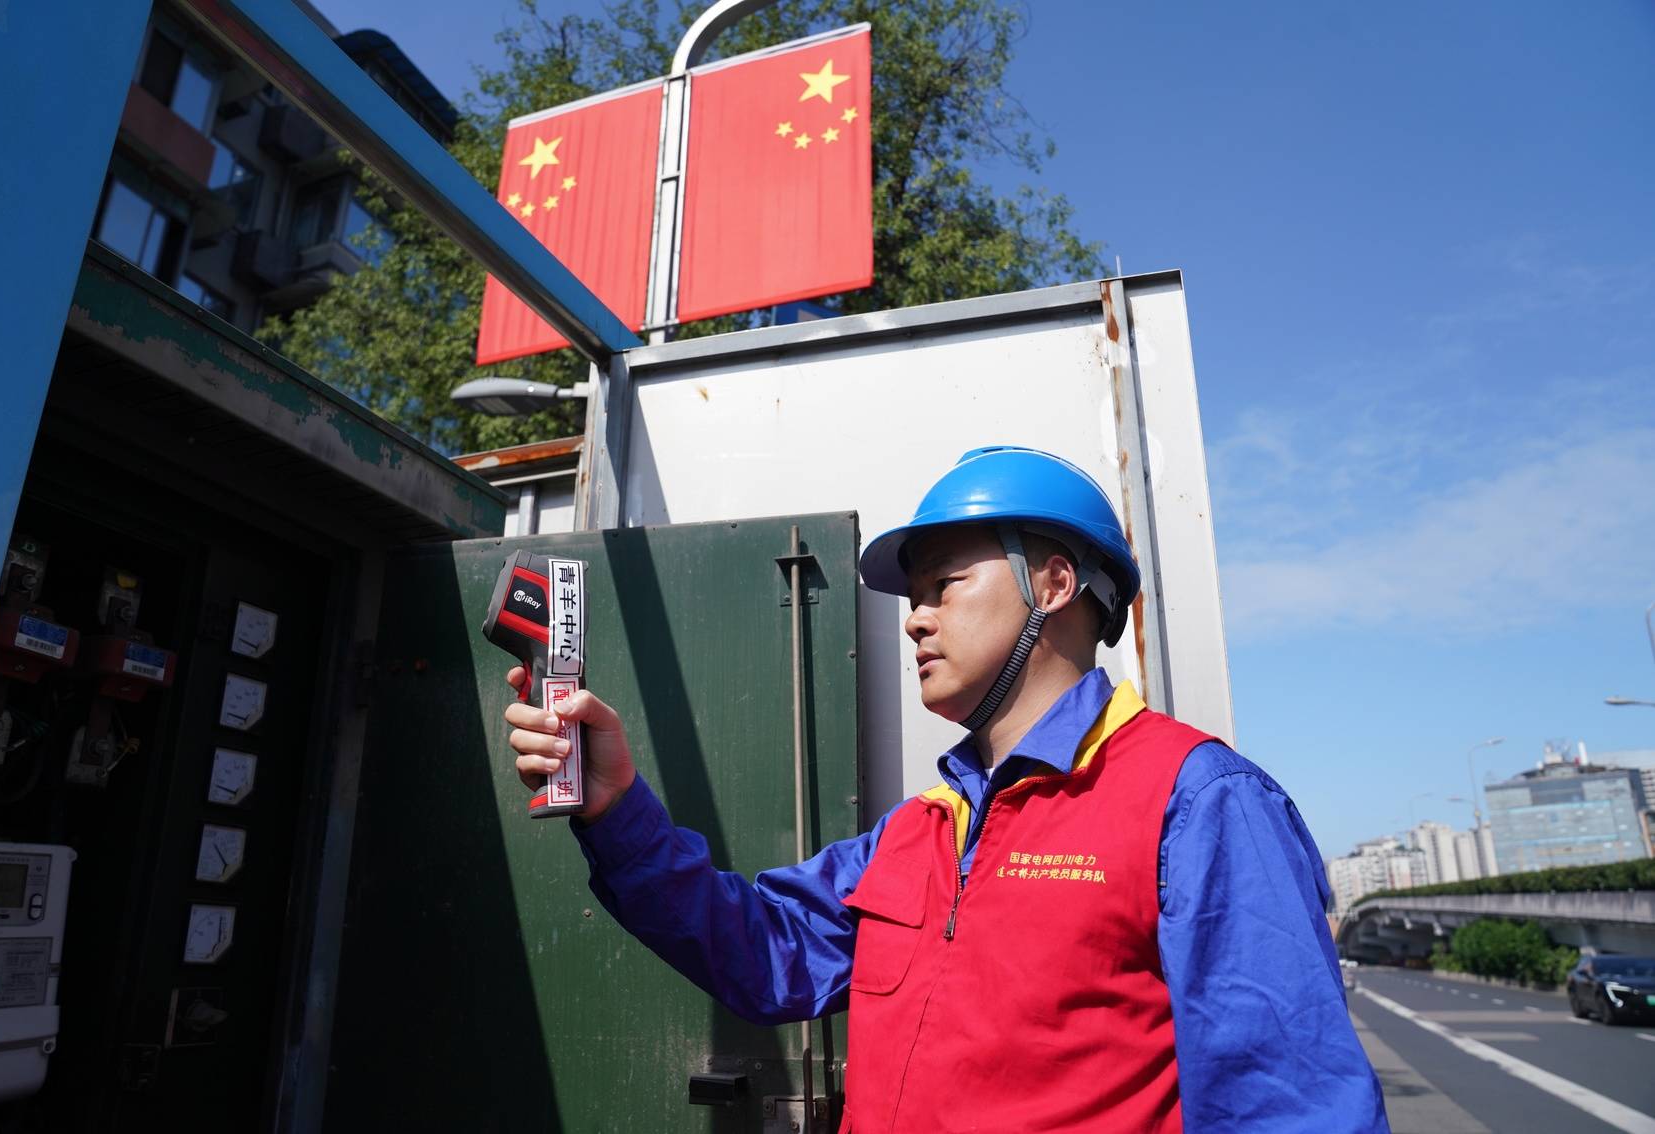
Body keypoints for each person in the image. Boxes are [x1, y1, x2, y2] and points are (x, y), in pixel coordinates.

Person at [506, 445, 1388, 1133]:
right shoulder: (921, 830)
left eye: (944, 585)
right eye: (913, 596)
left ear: (1053, 584)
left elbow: (1289, 1106)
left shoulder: (1198, 802)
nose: (916, 618)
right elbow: (762, 953)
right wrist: (615, 808)